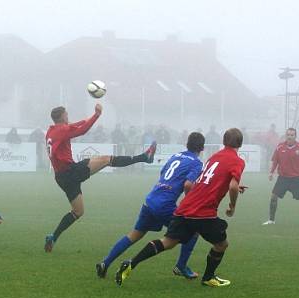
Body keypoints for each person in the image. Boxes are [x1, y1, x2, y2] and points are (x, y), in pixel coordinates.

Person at [116, 128, 247, 288]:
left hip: (185, 208)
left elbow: (208, 180)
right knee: (221, 244)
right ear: (240, 143)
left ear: (224, 142)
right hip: (203, 213)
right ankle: (208, 277)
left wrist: (231, 185)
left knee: (168, 242)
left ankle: (131, 263)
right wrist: (232, 206)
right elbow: (232, 186)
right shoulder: (238, 161)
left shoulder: (214, 157)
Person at [43, 105, 156, 253]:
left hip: (61, 177)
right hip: (71, 172)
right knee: (106, 159)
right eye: (67, 114)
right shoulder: (62, 130)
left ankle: (53, 237)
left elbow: (74, 125)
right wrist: (96, 115)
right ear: (62, 117)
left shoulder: (51, 131)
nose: (68, 116)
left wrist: (88, 117)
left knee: (78, 212)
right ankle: (144, 157)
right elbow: (82, 130)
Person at [97, 132, 205, 279]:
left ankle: (105, 263)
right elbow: (187, 184)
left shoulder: (176, 156)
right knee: (194, 230)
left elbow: (163, 173)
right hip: (165, 204)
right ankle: (181, 266)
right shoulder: (197, 163)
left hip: (151, 200)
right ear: (202, 148)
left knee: (134, 235)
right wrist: (189, 202)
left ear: (187, 144)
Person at [263, 128, 299, 226]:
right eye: (288, 135)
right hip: (283, 178)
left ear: (295, 136)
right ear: (286, 136)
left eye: (292, 135)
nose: (290, 137)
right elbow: (275, 161)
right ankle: (271, 220)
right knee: (273, 197)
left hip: (297, 179)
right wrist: (271, 172)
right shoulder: (280, 147)